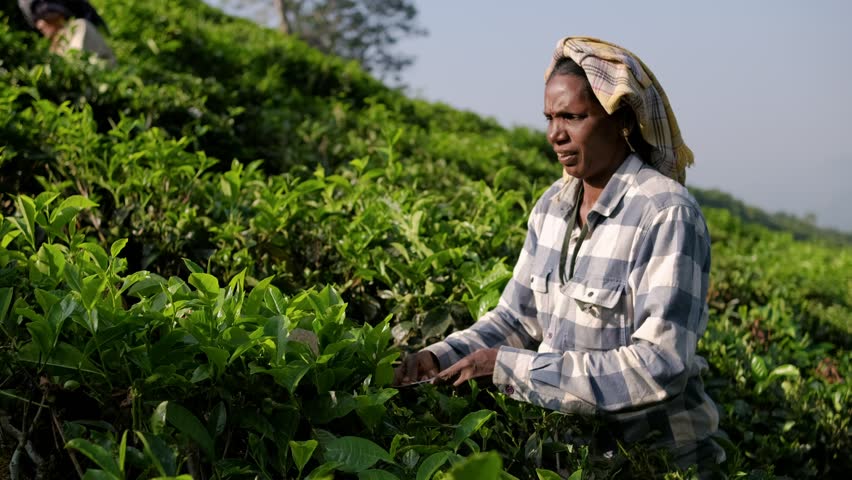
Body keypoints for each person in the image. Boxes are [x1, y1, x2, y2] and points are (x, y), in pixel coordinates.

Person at [394, 37, 726, 477]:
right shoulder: (552, 206)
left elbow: (660, 366)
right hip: (573, 462)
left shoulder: (665, 214)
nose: (556, 134)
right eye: (550, 117)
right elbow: (516, 318)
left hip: (659, 463)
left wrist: (512, 369)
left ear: (621, 120)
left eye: (573, 116)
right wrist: (441, 355)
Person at [20, 0, 115, 65]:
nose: (39, 25)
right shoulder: (57, 44)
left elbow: (74, 65)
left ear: (58, 14)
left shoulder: (79, 27)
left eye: (41, 17)